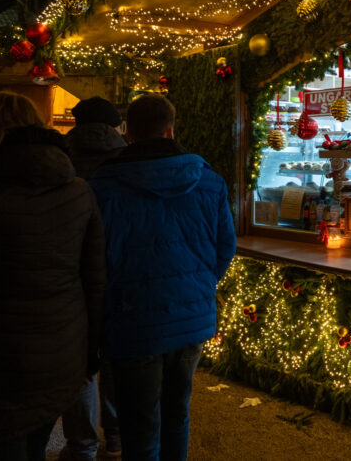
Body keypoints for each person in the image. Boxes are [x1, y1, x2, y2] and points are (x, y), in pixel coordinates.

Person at [0, 92, 105, 460]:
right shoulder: (78, 191)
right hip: (61, 344)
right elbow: (95, 278)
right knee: (34, 441)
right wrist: (91, 350)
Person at [89, 94, 235, 461]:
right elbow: (225, 247)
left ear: (127, 132)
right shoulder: (209, 181)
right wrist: (199, 284)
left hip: (131, 317)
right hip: (191, 315)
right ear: (171, 130)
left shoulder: (103, 187)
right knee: (177, 412)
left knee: (139, 424)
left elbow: (94, 258)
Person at [61, 97, 127, 460]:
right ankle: (115, 435)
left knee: (80, 360)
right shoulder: (127, 160)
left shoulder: (64, 161)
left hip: (72, 272)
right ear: (116, 126)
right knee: (115, 354)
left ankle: (81, 442)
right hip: (118, 269)